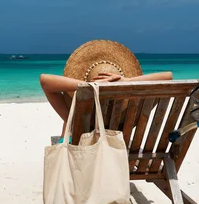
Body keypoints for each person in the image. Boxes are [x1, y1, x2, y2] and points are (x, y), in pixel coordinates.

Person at [39, 39, 173, 137]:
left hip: (80, 155)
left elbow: (44, 80)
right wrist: (127, 81)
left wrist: (89, 86)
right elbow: (168, 76)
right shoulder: (130, 115)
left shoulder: (76, 117)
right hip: (119, 154)